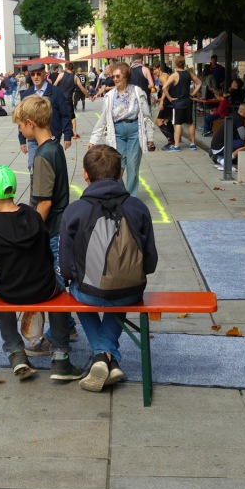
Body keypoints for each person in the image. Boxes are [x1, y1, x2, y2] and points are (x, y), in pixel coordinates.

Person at [59, 145, 158, 392]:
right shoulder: (138, 208)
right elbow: (151, 262)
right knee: (121, 289)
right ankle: (107, 356)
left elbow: (65, 267)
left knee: (76, 291)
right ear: (121, 172)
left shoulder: (75, 210)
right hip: (130, 291)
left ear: (85, 174)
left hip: (88, 292)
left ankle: (102, 356)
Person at [0, 164, 73, 380]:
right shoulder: (34, 217)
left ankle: (16, 352)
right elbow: (48, 256)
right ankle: (61, 356)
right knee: (61, 294)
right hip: (44, 289)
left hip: (11, 292)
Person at [11, 95, 80, 370]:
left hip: (51, 230)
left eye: (20, 126)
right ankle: (70, 327)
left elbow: (45, 201)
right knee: (59, 284)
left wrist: (33, 234)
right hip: (60, 227)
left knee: (55, 287)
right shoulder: (54, 147)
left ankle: (57, 336)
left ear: (30, 124)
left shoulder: (42, 156)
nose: (20, 131)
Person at [88, 62, 156, 196]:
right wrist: (93, 139)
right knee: (116, 167)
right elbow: (103, 119)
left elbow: (146, 116)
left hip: (135, 131)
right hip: (117, 132)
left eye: (117, 76)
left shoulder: (137, 92)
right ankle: (121, 193)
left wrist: (150, 137)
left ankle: (131, 197)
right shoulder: (110, 96)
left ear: (125, 76)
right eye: (113, 77)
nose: (115, 79)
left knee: (132, 166)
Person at [17, 62, 71, 173]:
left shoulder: (56, 92)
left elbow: (65, 114)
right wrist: (22, 140)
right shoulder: (26, 95)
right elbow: (21, 119)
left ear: (44, 74)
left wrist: (67, 135)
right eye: (33, 74)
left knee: (50, 168)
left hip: (51, 137)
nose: (36, 77)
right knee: (33, 167)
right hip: (33, 139)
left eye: (38, 74)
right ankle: (35, 190)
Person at [211, 102, 245, 167]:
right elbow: (243, 136)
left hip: (215, 148)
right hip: (220, 148)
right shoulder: (239, 119)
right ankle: (226, 160)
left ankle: (220, 159)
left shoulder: (234, 116)